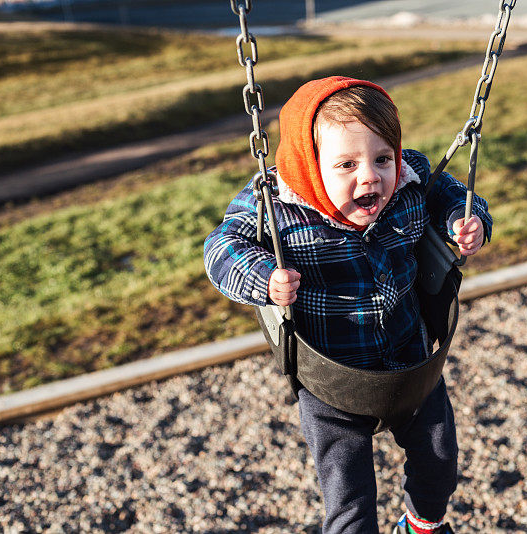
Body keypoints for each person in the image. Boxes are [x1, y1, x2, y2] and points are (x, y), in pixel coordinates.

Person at [204, 76, 492, 534]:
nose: (371, 177)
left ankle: (420, 526)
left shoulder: (410, 180)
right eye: (346, 164)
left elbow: (453, 195)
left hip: (411, 357)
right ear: (308, 166)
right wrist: (265, 278)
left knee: (438, 464)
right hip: (332, 383)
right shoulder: (277, 207)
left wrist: (466, 220)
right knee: (349, 499)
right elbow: (221, 248)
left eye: (383, 158)